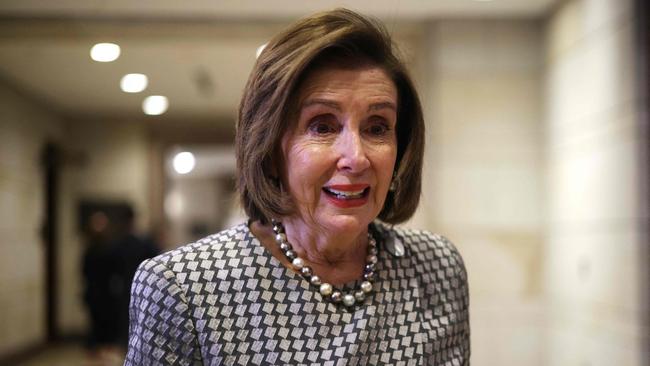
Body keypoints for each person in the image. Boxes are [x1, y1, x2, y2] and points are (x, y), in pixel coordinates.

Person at [125, 8, 470, 366]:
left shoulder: (436, 267)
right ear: (271, 149)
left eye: (377, 127)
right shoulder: (183, 288)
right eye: (322, 126)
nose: (356, 157)